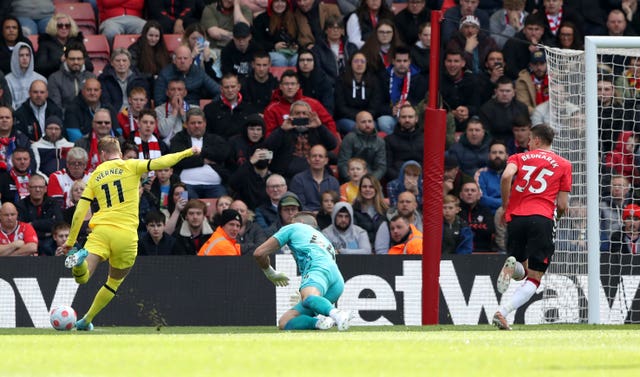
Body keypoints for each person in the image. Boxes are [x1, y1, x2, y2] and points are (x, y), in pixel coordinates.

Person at [58, 136, 199, 331]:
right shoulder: (131, 165)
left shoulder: (95, 175)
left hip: (101, 231)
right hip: (126, 235)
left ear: (102, 155)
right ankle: (86, 319)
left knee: (81, 278)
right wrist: (187, 152)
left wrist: (71, 241)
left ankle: (80, 259)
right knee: (114, 282)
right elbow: (161, 163)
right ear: (120, 154)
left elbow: (80, 211)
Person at [493, 124, 572, 330]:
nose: (527, 143)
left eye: (529, 140)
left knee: (522, 269)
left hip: (516, 217)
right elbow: (562, 204)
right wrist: (557, 219)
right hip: (543, 218)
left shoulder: (518, 157)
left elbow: (506, 177)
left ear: (536, 140)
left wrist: (505, 207)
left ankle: (514, 265)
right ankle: (503, 312)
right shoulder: (564, 164)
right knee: (535, 278)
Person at [254, 211, 353, 330]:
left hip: (317, 268)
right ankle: (320, 323)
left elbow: (259, 253)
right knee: (285, 322)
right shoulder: (324, 240)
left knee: (308, 297)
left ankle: (337, 314)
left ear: (300, 222)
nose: (289, 224)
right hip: (336, 282)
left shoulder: (294, 227)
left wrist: (270, 273)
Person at [169, 108, 231, 199]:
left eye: (199, 122)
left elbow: (223, 154)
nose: (197, 126)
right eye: (193, 123)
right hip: (185, 185)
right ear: (186, 124)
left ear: (205, 123)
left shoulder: (215, 139)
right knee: (184, 201)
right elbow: (178, 159)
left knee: (224, 203)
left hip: (215, 185)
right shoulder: (178, 139)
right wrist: (204, 160)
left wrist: (201, 152)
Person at [154, 45, 220, 106]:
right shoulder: (165, 74)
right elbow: (158, 100)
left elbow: (220, 92)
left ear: (191, 60)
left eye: (185, 58)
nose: (182, 61)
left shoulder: (199, 72)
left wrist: (208, 108)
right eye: (179, 58)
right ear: (174, 60)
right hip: (171, 110)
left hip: (194, 111)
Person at [16, 174, 64, 254]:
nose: (38, 190)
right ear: (28, 189)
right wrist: (46, 227)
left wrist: (33, 224)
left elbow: (58, 223)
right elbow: (21, 228)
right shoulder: (20, 205)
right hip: (28, 241)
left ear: (45, 189)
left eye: (41, 187)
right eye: (34, 187)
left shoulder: (53, 203)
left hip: (51, 241)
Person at [35, 13, 93, 78]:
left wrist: (75, 61)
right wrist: (60, 61)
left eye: (67, 25)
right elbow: (39, 68)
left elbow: (89, 66)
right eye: (60, 25)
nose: (64, 28)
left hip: (76, 78)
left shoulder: (77, 42)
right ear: (54, 26)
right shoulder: (45, 42)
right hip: (54, 79)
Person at [337, 111, 386, 182]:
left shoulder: (380, 141)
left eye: (370, 121)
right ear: (357, 124)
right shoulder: (349, 138)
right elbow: (343, 163)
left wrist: (370, 181)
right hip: (350, 180)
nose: (367, 124)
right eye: (363, 122)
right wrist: (353, 180)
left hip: (371, 181)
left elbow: (381, 167)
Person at [47, 41, 96, 113]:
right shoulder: (54, 78)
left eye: (79, 59)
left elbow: (96, 105)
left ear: (84, 60)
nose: (76, 62)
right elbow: (56, 108)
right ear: (65, 59)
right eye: (72, 59)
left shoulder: (92, 77)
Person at [289, 144, 340, 212]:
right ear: (308, 159)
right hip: (305, 218)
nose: (317, 159)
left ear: (326, 161)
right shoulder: (298, 180)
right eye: (314, 156)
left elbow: (336, 205)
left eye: (320, 156)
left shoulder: (333, 182)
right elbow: (299, 205)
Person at [479, 77, 530, 142]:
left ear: (514, 92)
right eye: (501, 91)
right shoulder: (486, 109)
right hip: (495, 144)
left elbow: (526, 130)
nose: (504, 94)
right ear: (496, 92)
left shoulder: (522, 108)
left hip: (518, 143)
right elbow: (486, 134)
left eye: (508, 91)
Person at [204, 73, 254, 139]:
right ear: (221, 89)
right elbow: (207, 134)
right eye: (226, 87)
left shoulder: (249, 109)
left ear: (239, 87)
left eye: (233, 87)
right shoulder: (210, 109)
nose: (230, 90)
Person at [128, 20, 172, 95]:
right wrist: (151, 77)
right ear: (145, 35)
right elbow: (132, 70)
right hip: (142, 84)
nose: (153, 39)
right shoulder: (135, 49)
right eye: (151, 35)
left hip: (160, 84)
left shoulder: (162, 49)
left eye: (156, 36)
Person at [98, 48, 149, 113]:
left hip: (136, 116)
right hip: (114, 116)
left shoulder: (140, 80)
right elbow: (105, 102)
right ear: (112, 63)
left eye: (124, 60)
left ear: (130, 63)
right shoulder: (104, 79)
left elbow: (145, 104)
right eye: (117, 61)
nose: (121, 64)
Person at [252, 0, 299, 67]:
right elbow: (257, 41)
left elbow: (297, 38)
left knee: (298, 59)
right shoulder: (262, 19)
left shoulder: (292, 18)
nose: (280, 4)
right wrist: (274, 46)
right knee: (280, 60)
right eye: (276, 1)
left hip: (290, 52)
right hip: (271, 52)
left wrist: (295, 45)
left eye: (283, 1)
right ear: (271, 3)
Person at [384, 104, 423, 181]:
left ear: (416, 119)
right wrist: (403, 179)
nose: (407, 120)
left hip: (421, 180)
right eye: (403, 117)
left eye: (410, 117)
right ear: (399, 119)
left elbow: (430, 165)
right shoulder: (389, 140)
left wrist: (418, 179)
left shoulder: (425, 139)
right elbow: (387, 168)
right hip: (398, 180)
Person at [5, 42, 46, 110]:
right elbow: (10, 105)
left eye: (27, 55)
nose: (25, 58)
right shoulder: (7, 80)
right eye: (21, 55)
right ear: (15, 57)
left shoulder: (41, 79)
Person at [352, 174, 388, 250]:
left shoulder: (385, 210)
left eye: (371, 187)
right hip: (361, 253)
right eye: (364, 187)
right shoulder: (354, 210)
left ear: (376, 189)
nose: (367, 189)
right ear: (360, 189)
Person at [155, 79, 195, 146]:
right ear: (167, 93)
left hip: (189, 146)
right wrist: (175, 110)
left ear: (185, 93)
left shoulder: (194, 109)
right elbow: (163, 133)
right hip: (167, 147)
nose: (176, 92)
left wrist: (182, 112)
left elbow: (194, 131)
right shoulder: (159, 110)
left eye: (179, 89)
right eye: (173, 89)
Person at [459, 180, 495, 252]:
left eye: (473, 190)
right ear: (461, 195)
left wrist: (468, 228)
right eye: (466, 190)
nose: (469, 193)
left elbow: (489, 231)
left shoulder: (486, 211)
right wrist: (477, 227)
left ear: (479, 195)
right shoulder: (456, 210)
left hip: (483, 251)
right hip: (459, 252)